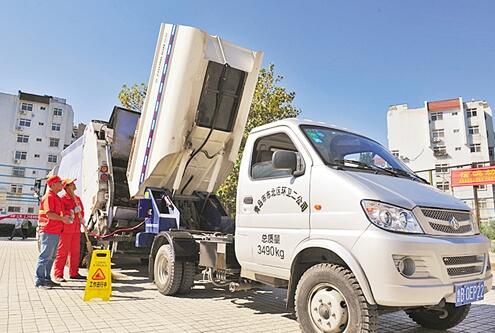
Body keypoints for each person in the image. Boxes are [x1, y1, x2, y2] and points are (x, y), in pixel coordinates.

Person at [34, 175, 72, 289]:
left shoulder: (55, 197)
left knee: (51, 257)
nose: (62, 184)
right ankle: (39, 281)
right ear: (53, 184)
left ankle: (46, 279)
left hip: (54, 231)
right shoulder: (49, 197)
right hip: (48, 230)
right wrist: (63, 219)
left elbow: (58, 213)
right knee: (45, 256)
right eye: (60, 182)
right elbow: (49, 214)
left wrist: (66, 216)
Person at [54, 178, 85, 281]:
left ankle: (74, 273)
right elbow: (61, 213)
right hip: (66, 229)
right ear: (66, 187)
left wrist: (81, 217)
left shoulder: (77, 198)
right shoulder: (62, 199)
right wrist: (72, 211)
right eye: (71, 184)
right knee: (62, 252)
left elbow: (82, 212)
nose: (74, 185)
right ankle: (58, 275)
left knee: (75, 252)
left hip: (76, 229)